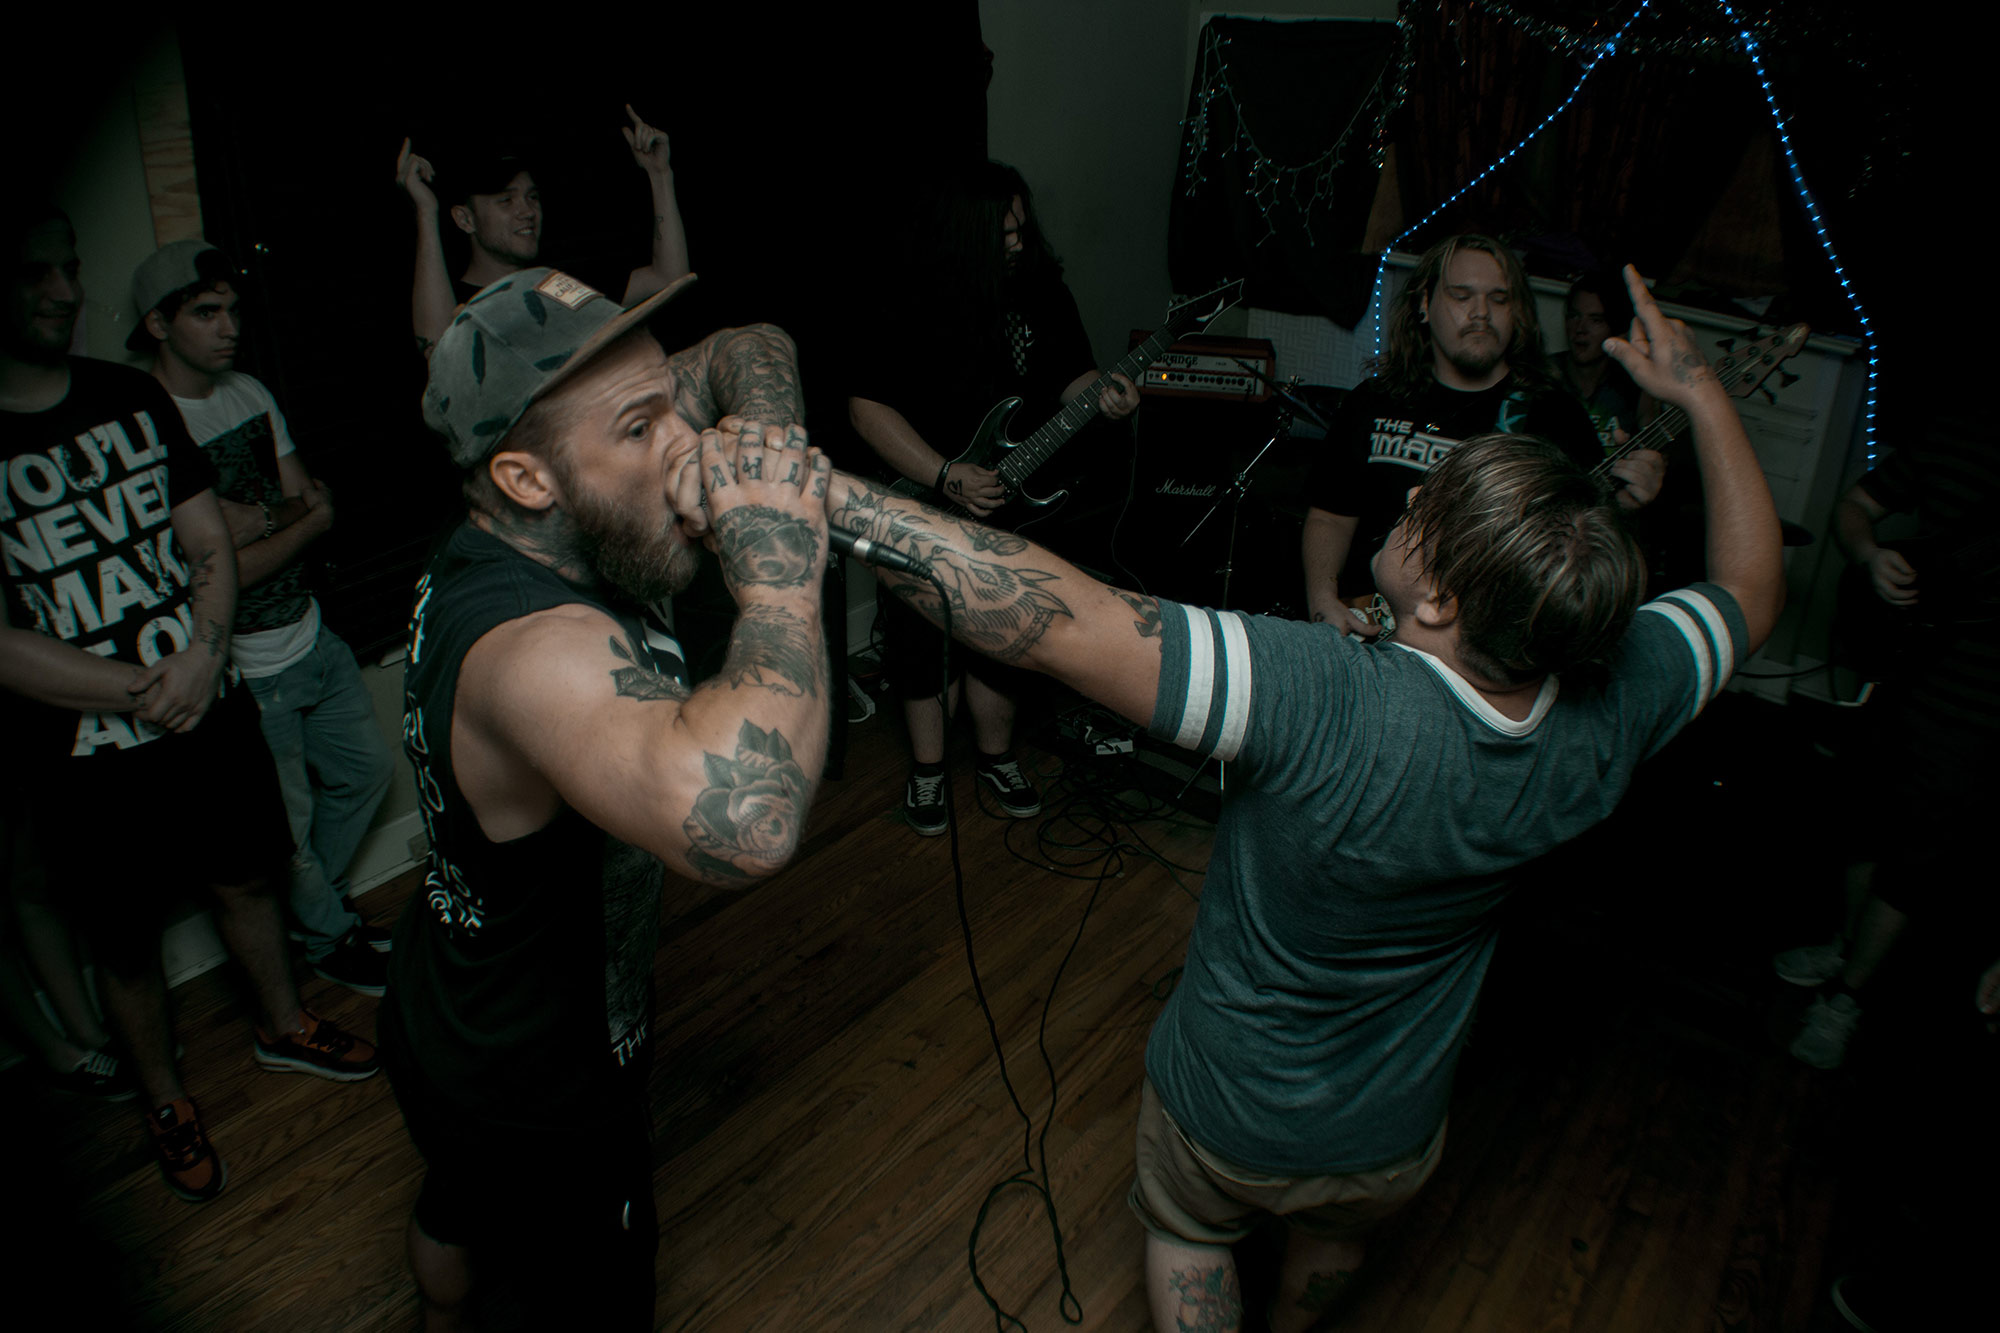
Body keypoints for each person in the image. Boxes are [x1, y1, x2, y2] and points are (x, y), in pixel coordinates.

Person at [814, 265, 1782, 1333]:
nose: (1408, 498)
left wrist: (821, 495)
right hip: (1389, 1127)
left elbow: (1059, 623)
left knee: (1190, 1233)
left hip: (1228, 1108)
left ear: (1443, 597)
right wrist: (1704, 397)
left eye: (1428, 509)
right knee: (1332, 1241)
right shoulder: (1615, 697)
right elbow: (1749, 588)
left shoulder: (1324, 697)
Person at [384, 266, 828, 1329]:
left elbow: (751, 340)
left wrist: (754, 440)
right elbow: (745, 822)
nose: (684, 440)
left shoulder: (539, 499)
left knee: (456, 1205)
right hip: (532, 1070)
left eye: (673, 403)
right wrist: (779, 569)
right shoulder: (533, 650)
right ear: (526, 479)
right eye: (642, 427)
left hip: (450, 993)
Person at [1, 207, 379, 1205]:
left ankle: (284, 1023)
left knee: (248, 876)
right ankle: (166, 1099)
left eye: (69, 267)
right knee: (123, 941)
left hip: (207, 697)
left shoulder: (129, 396)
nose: (65, 291)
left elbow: (207, 540)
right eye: (36, 273)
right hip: (87, 746)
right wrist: (148, 686)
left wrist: (203, 655)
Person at [131, 239, 398, 994]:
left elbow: (311, 504)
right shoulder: (150, 425)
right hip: (245, 669)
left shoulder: (247, 391)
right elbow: (222, 571)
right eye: (206, 313)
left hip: (312, 636)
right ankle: (330, 937)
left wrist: (262, 521)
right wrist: (289, 523)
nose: (229, 327)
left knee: (368, 773)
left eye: (233, 310)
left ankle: (312, 916)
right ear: (158, 324)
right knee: (287, 830)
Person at [847, 160, 1139, 835]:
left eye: (1021, 228)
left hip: (1018, 494)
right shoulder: (907, 294)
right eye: (1002, 232)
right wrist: (945, 473)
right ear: (964, 233)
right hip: (930, 490)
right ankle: (927, 771)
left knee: (1006, 629)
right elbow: (866, 408)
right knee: (922, 639)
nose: (1016, 241)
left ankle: (996, 757)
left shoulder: (1040, 287)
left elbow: (1073, 377)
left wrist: (1107, 397)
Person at [1771, 404, 1999, 1069]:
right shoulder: (1959, 430)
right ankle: (1845, 949)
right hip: (1907, 671)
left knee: (1918, 852)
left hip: (1981, 705)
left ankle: (1848, 998)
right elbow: (1855, 505)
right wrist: (1870, 555)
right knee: (1866, 817)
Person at [1300, 234, 1667, 633]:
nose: (1481, 313)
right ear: (1424, 304)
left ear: (1516, 312)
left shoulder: (1554, 415)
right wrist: (1322, 600)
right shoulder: (1373, 401)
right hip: (1367, 627)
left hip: (1482, 641)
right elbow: (1330, 517)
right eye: (1461, 296)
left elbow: (1582, 552)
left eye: (1499, 299)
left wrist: (1626, 508)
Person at [396, 106, 691, 359]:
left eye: (532, 197)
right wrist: (426, 212)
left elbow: (669, 277)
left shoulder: (559, 284)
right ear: (465, 219)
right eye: (506, 200)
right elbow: (438, 349)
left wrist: (660, 175)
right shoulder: (457, 304)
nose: (527, 211)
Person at [1552, 269, 1644, 452]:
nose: (1580, 329)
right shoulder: (1542, 374)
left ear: (1617, 329)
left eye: (1596, 320)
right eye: (1574, 316)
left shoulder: (1632, 386)